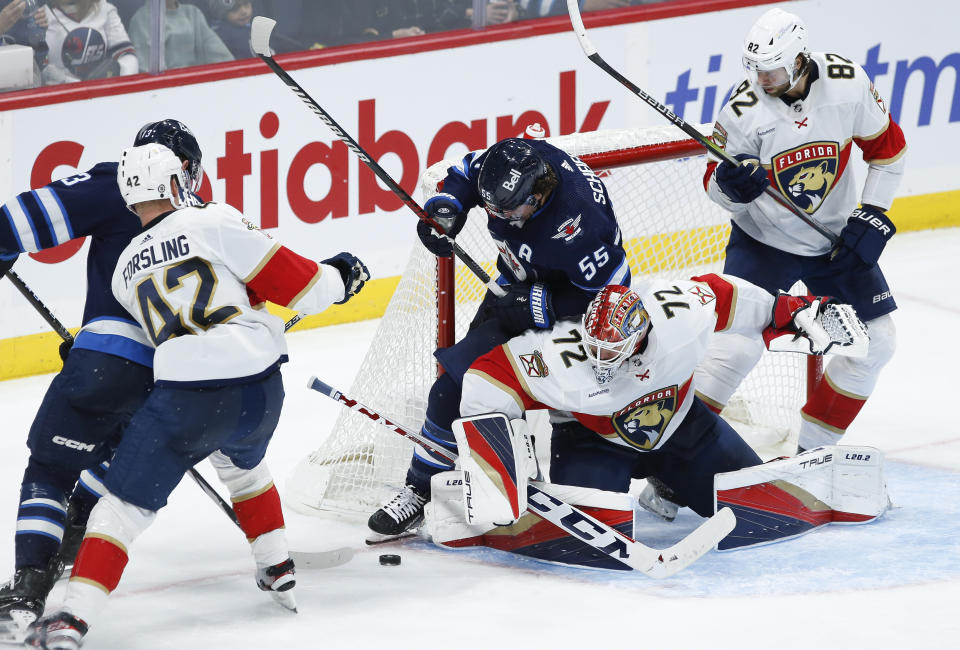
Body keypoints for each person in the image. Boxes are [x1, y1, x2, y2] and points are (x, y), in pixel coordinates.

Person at [26, 141, 370, 650]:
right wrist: (344, 274)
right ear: (174, 184)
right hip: (261, 394)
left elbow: (143, 350)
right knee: (244, 464)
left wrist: (87, 355)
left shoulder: (123, 272)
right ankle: (276, 565)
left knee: (119, 510)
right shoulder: (215, 220)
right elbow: (301, 288)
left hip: (187, 401)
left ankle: (70, 618)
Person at [367, 135, 631, 541]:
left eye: (507, 209)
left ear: (539, 193)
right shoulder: (514, 162)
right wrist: (448, 209)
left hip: (575, 320)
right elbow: (465, 173)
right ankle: (419, 490)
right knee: (453, 387)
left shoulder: (579, 221)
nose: (498, 217)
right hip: (513, 295)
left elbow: (611, 290)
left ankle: (659, 461)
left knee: (583, 408)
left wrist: (539, 303)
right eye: (493, 208)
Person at [0, 119, 202, 643]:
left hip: (105, 361)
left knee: (50, 464)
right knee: (127, 448)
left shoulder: (120, 183)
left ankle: (28, 584)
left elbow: (12, 222)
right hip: (178, 376)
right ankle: (79, 520)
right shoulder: (212, 217)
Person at [458, 275, 865, 520]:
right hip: (593, 444)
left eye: (612, 350)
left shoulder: (680, 313)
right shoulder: (557, 352)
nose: (600, 360)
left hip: (686, 429)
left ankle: (673, 481)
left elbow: (734, 297)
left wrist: (801, 311)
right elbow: (484, 380)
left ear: (639, 336)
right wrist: (496, 467)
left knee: (760, 509)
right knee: (591, 535)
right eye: (594, 348)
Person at [694, 8, 906, 453]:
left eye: (770, 71)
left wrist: (873, 213)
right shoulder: (742, 109)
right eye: (754, 70)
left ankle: (812, 455)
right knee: (734, 347)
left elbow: (889, 149)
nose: (761, 80)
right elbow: (714, 181)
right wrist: (732, 187)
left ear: (799, 60)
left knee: (877, 343)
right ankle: (674, 470)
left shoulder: (847, 83)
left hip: (835, 241)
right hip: (762, 243)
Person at [41, 0, 137, 84]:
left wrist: (117, 80)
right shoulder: (42, 16)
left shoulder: (103, 8)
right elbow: (42, 72)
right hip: (62, 98)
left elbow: (127, 55)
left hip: (103, 95)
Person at [128, 0, 232, 72]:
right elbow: (151, 74)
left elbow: (221, 56)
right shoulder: (142, 20)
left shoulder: (193, 13)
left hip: (200, 86)